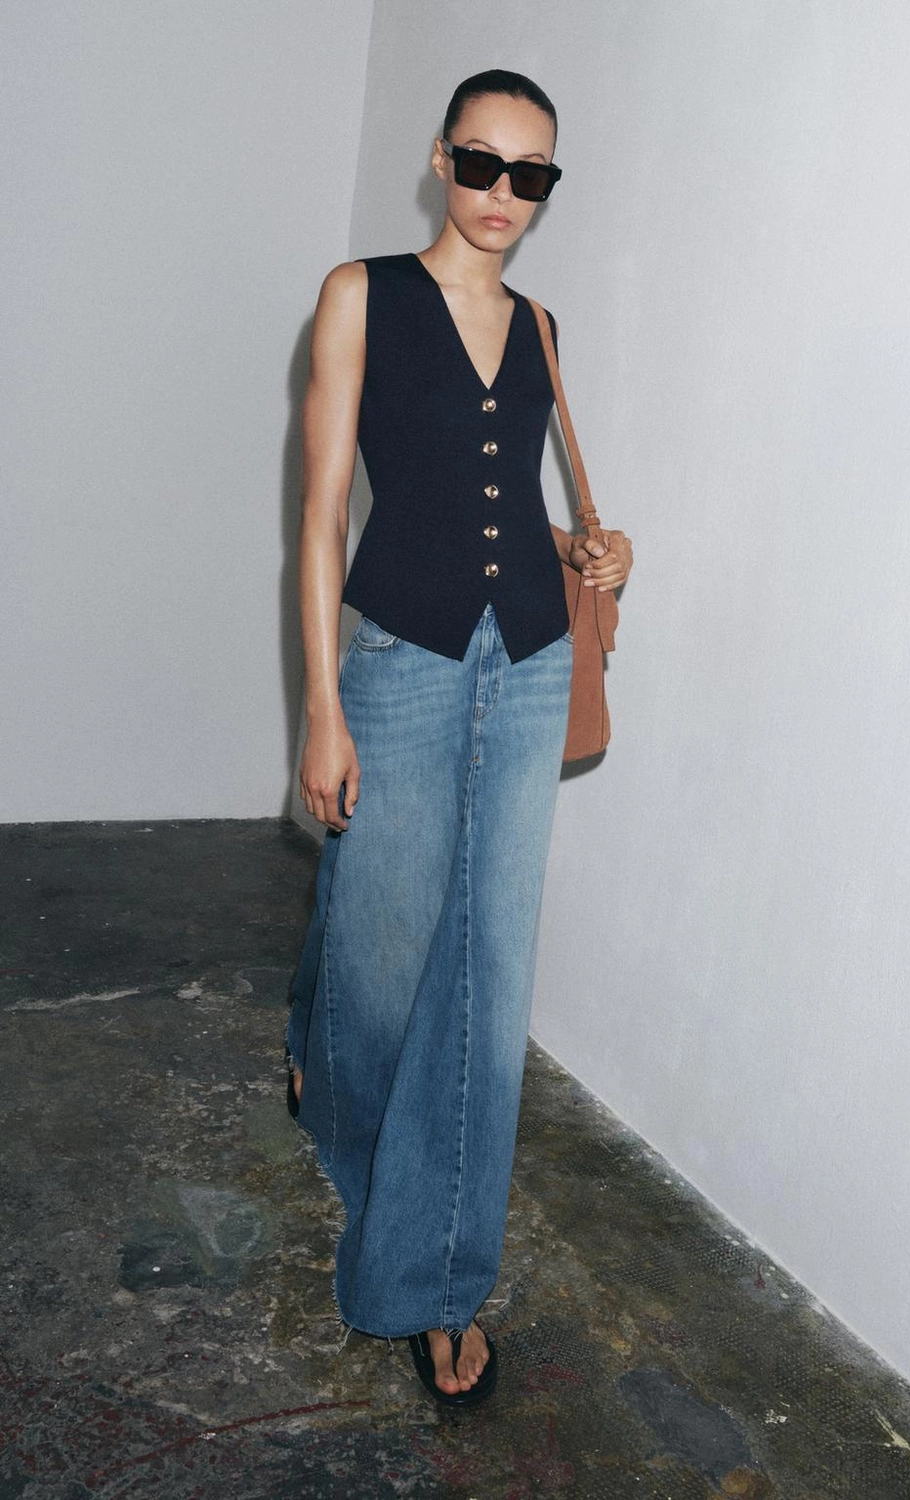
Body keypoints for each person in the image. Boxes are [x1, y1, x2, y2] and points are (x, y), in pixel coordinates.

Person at [285, 69, 633, 1407]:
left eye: (529, 175)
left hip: (532, 661)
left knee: (482, 977)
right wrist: (321, 708)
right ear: (441, 160)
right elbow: (326, 512)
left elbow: (493, 502)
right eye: (481, 163)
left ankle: (433, 1276)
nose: (502, 194)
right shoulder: (359, 295)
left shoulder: (540, 325)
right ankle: (325, 1058)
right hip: (401, 662)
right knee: (379, 957)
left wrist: (592, 552)